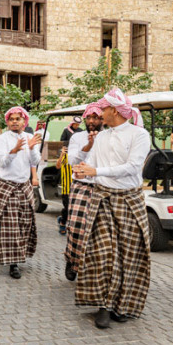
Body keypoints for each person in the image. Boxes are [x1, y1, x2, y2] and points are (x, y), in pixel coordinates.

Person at [72, 90, 151, 329]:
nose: (99, 113)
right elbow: (94, 164)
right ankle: (103, 306)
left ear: (114, 111)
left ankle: (123, 305)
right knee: (103, 253)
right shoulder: (103, 137)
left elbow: (133, 167)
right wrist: (84, 168)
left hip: (129, 200)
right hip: (102, 198)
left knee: (130, 254)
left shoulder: (139, 134)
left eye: (103, 109)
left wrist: (97, 172)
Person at [0, 107, 42, 279]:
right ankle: (13, 263)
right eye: (11, 119)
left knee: (25, 223)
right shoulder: (2, 139)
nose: (14, 121)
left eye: (17, 119)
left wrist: (32, 148)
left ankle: (21, 254)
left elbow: (35, 162)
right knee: (10, 225)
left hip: (24, 186)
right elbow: (2, 163)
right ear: (7, 122)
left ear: (24, 121)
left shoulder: (29, 137)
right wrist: (13, 151)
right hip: (7, 186)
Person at [63, 104, 103, 281]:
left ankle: (94, 268)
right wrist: (89, 145)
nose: (92, 121)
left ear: (103, 119)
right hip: (82, 185)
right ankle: (72, 260)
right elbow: (72, 161)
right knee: (77, 227)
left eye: (96, 117)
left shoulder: (109, 136)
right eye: (89, 118)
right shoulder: (77, 137)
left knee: (97, 231)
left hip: (103, 186)